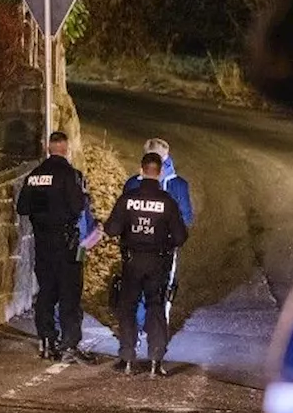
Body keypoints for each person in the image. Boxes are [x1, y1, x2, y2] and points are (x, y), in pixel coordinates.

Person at [105, 152, 188, 376]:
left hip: (132, 261)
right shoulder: (167, 202)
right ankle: (155, 360)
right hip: (157, 262)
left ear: (141, 171)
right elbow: (180, 237)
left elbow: (111, 229)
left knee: (128, 308)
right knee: (156, 307)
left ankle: (127, 358)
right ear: (160, 173)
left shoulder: (128, 199)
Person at [15, 131, 95, 364]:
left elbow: (23, 208)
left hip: (43, 242)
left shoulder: (34, 176)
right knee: (69, 293)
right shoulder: (70, 175)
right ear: (66, 148)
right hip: (66, 243)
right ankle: (69, 343)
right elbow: (77, 206)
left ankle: (47, 340)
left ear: (48, 148)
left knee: (46, 292)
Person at [122, 138, 193, 339]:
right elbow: (186, 218)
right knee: (160, 291)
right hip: (164, 250)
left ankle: (138, 334)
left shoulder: (133, 183)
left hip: (136, 248)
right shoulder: (178, 185)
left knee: (137, 290)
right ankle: (156, 337)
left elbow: (122, 217)